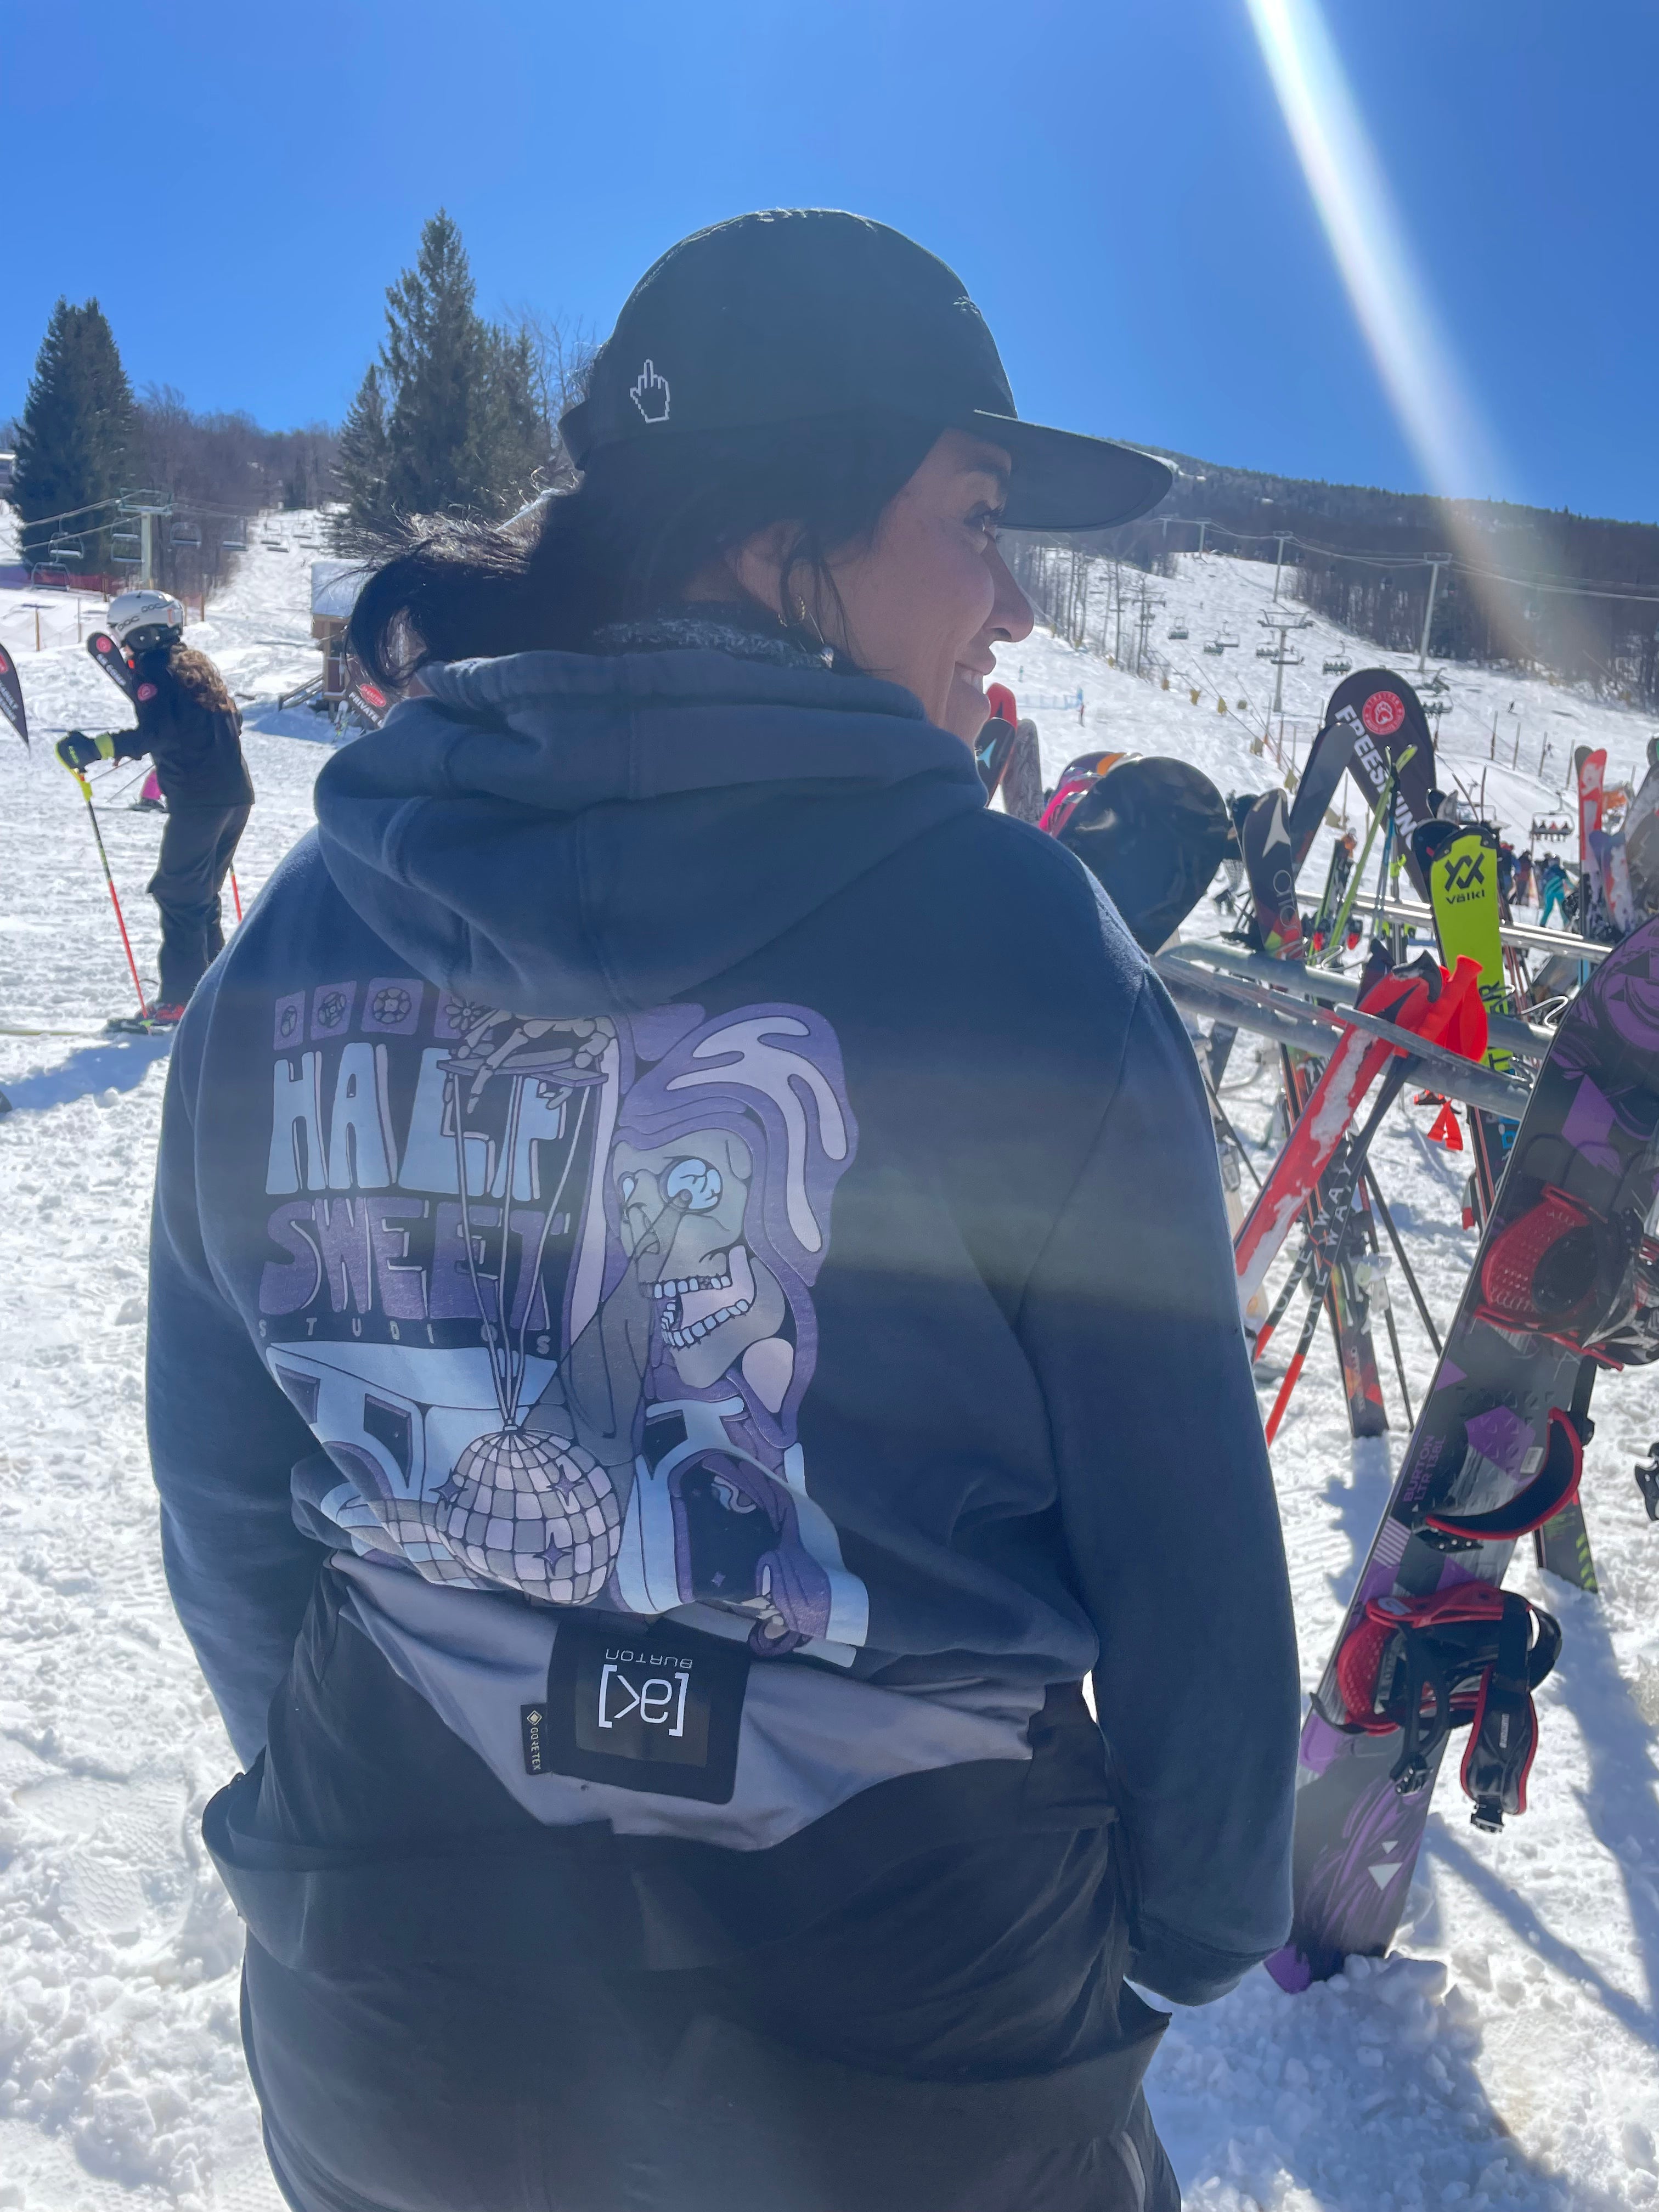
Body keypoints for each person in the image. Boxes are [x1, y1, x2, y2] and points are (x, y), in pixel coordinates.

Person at [147, 211, 1298, 2212]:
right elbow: (1181, 1530)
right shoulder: (1018, 939)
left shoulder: (315, 913)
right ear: (787, 531)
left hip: (393, 1983)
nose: (1009, 600)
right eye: (974, 512)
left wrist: (347, 1788)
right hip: (902, 2011)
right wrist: (1188, 1920)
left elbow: (224, 1460)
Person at [55, 590, 252, 1024]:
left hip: (200, 803)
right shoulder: (196, 663)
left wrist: (93, 748)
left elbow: (155, 733)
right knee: (200, 896)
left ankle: (180, 1004)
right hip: (235, 797)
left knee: (179, 896)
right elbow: (233, 721)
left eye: (125, 638)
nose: (124, 648)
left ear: (141, 632)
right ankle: (213, 993)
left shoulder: (154, 670)